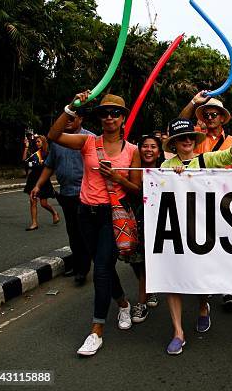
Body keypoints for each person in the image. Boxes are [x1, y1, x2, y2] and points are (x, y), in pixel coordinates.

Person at [48, 91, 141, 357]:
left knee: (101, 267)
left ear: (123, 118)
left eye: (115, 113)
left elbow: (136, 189)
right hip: (84, 214)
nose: (109, 117)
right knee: (103, 265)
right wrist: (72, 106)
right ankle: (123, 303)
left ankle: (96, 330)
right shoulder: (88, 142)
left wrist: (117, 177)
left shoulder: (132, 150)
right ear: (99, 118)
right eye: (104, 113)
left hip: (111, 215)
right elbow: (53, 137)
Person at [160, 117, 232, 355]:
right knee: (172, 278)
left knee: (198, 275)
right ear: (174, 144)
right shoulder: (166, 167)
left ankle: (202, 306)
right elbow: (157, 194)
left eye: (190, 137)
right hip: (174, 229)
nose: (187, 141)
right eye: (181, 138)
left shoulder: (206, 159)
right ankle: (178, 332)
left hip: (202, 229)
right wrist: (171, 177)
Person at [180, 92, 232, 309]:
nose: (210, 118)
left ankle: (228, 288)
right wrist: (193, 103)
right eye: (206, 114)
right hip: (198, 201)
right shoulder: (195, 138)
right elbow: (178, 125)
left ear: (222, 118)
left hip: (225, 202)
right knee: (203, 244)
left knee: (227, 245)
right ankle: (206, 284)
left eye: (214, 114)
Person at [31, 108, 93, 284]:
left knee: (83, 232)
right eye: (65, 117)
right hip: (66, 194)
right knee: (72, 232)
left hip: (85, 195)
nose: (67, 121)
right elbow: (50, 165)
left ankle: (83, 269)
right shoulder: (58, 140)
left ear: (80, 119)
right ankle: (77, 264)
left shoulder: (90, 139)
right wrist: (38, 185)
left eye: (72, 117)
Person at [128, 134, 165, 324]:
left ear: (159, 151)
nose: (148, 150)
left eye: (153, 146)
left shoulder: (165, 170)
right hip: (134, 220)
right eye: (144, 146)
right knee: (135, 262)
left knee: (145, 263)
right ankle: (149, 289)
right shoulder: (130, 168)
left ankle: (141, 304)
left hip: (157, 223)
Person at [22, 135, 60, 231]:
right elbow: (24, 161)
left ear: (43, 142)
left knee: (43, 203)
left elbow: (51, 167)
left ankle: (54, 213)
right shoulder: (35, 154)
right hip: (33, 179)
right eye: (36, 142)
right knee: (32, 201)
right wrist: (26, 147)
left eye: (38, 141)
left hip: (43, 180)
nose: (37, 143)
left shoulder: (48, 154)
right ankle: (34, 223)